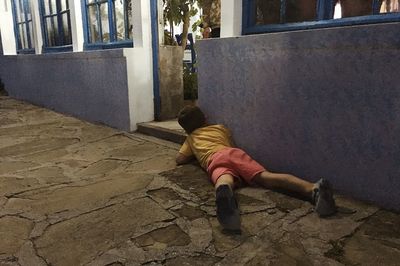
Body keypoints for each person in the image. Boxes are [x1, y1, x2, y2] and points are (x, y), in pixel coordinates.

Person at [176, 105, 336, 231]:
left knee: (223, 179)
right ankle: (313, 188)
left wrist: (193, 151)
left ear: (186, 129)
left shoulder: (191, 138)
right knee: (266, 177)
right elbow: (230, 142)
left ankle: (225, 196)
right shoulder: (219, 128)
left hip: (214, 160)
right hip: (232, 153)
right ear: (205, 118)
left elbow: (180, 159)